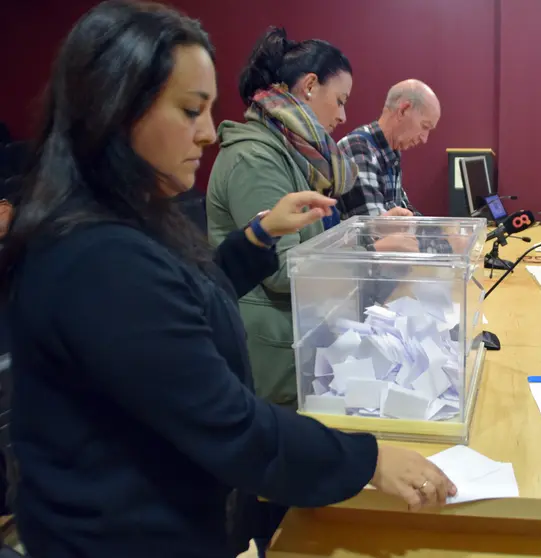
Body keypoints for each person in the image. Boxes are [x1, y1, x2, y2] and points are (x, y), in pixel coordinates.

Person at [0, 3, 455, 558]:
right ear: (115, 109)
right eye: (191, 110)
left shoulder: (131, 218)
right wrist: (370, 460)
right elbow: (232, 426)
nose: (208, 132)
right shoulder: (96, 259)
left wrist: (257, 238)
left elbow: (189, 293)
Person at [207, 28, 417, 410]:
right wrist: (369, 251)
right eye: (339, 101)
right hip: (277, 358)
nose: (343, 116)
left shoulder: (299, 155)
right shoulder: (256, 158)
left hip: (306, 336)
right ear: (308, 87)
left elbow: (319, 239)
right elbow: (282, 269)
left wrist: (368, 234)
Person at [337, 79, 441, 218]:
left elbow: (405, 210)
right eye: (425, 126)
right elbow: (372, 228)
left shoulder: (390, 152)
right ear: (403, 110)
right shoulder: (358, 149)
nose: (424, 138)